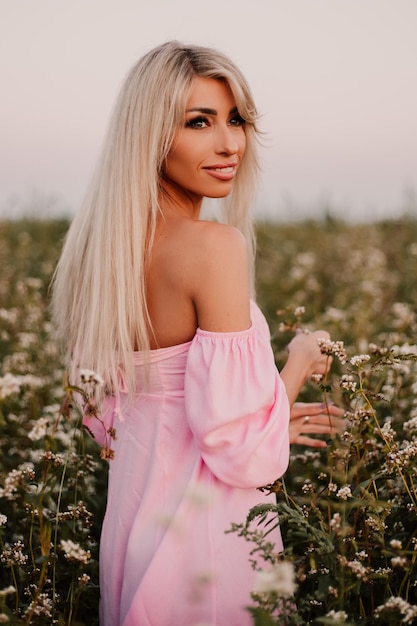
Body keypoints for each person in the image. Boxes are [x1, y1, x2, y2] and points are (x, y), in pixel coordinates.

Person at [51, 41, 344, 626]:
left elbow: (111, 419)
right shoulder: (214, 247)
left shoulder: (99, 256)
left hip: (134, 525)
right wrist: (298, 363)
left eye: (235, 119)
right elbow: (241, 453)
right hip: (209, 533)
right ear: (150, 134)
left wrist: (269, 412)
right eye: (199, 122)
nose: (229, 143)